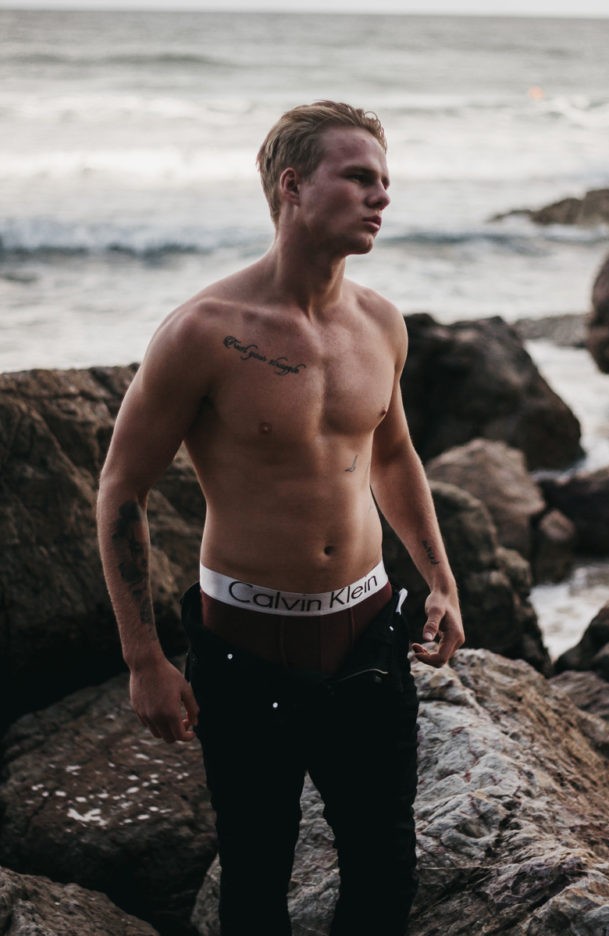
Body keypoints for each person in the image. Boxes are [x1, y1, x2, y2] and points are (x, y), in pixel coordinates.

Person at [97, 100, 464, 936]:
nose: (381, 196)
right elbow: (121, 489)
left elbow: (394, 455)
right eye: (359, 177)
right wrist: (144, 658)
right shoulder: (204, 332)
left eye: (385, 180)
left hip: (369, 637)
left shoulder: (381, 323)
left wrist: (440, 582)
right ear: (293, 186)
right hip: (246, 651)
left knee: (384, 869)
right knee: (257, 877)